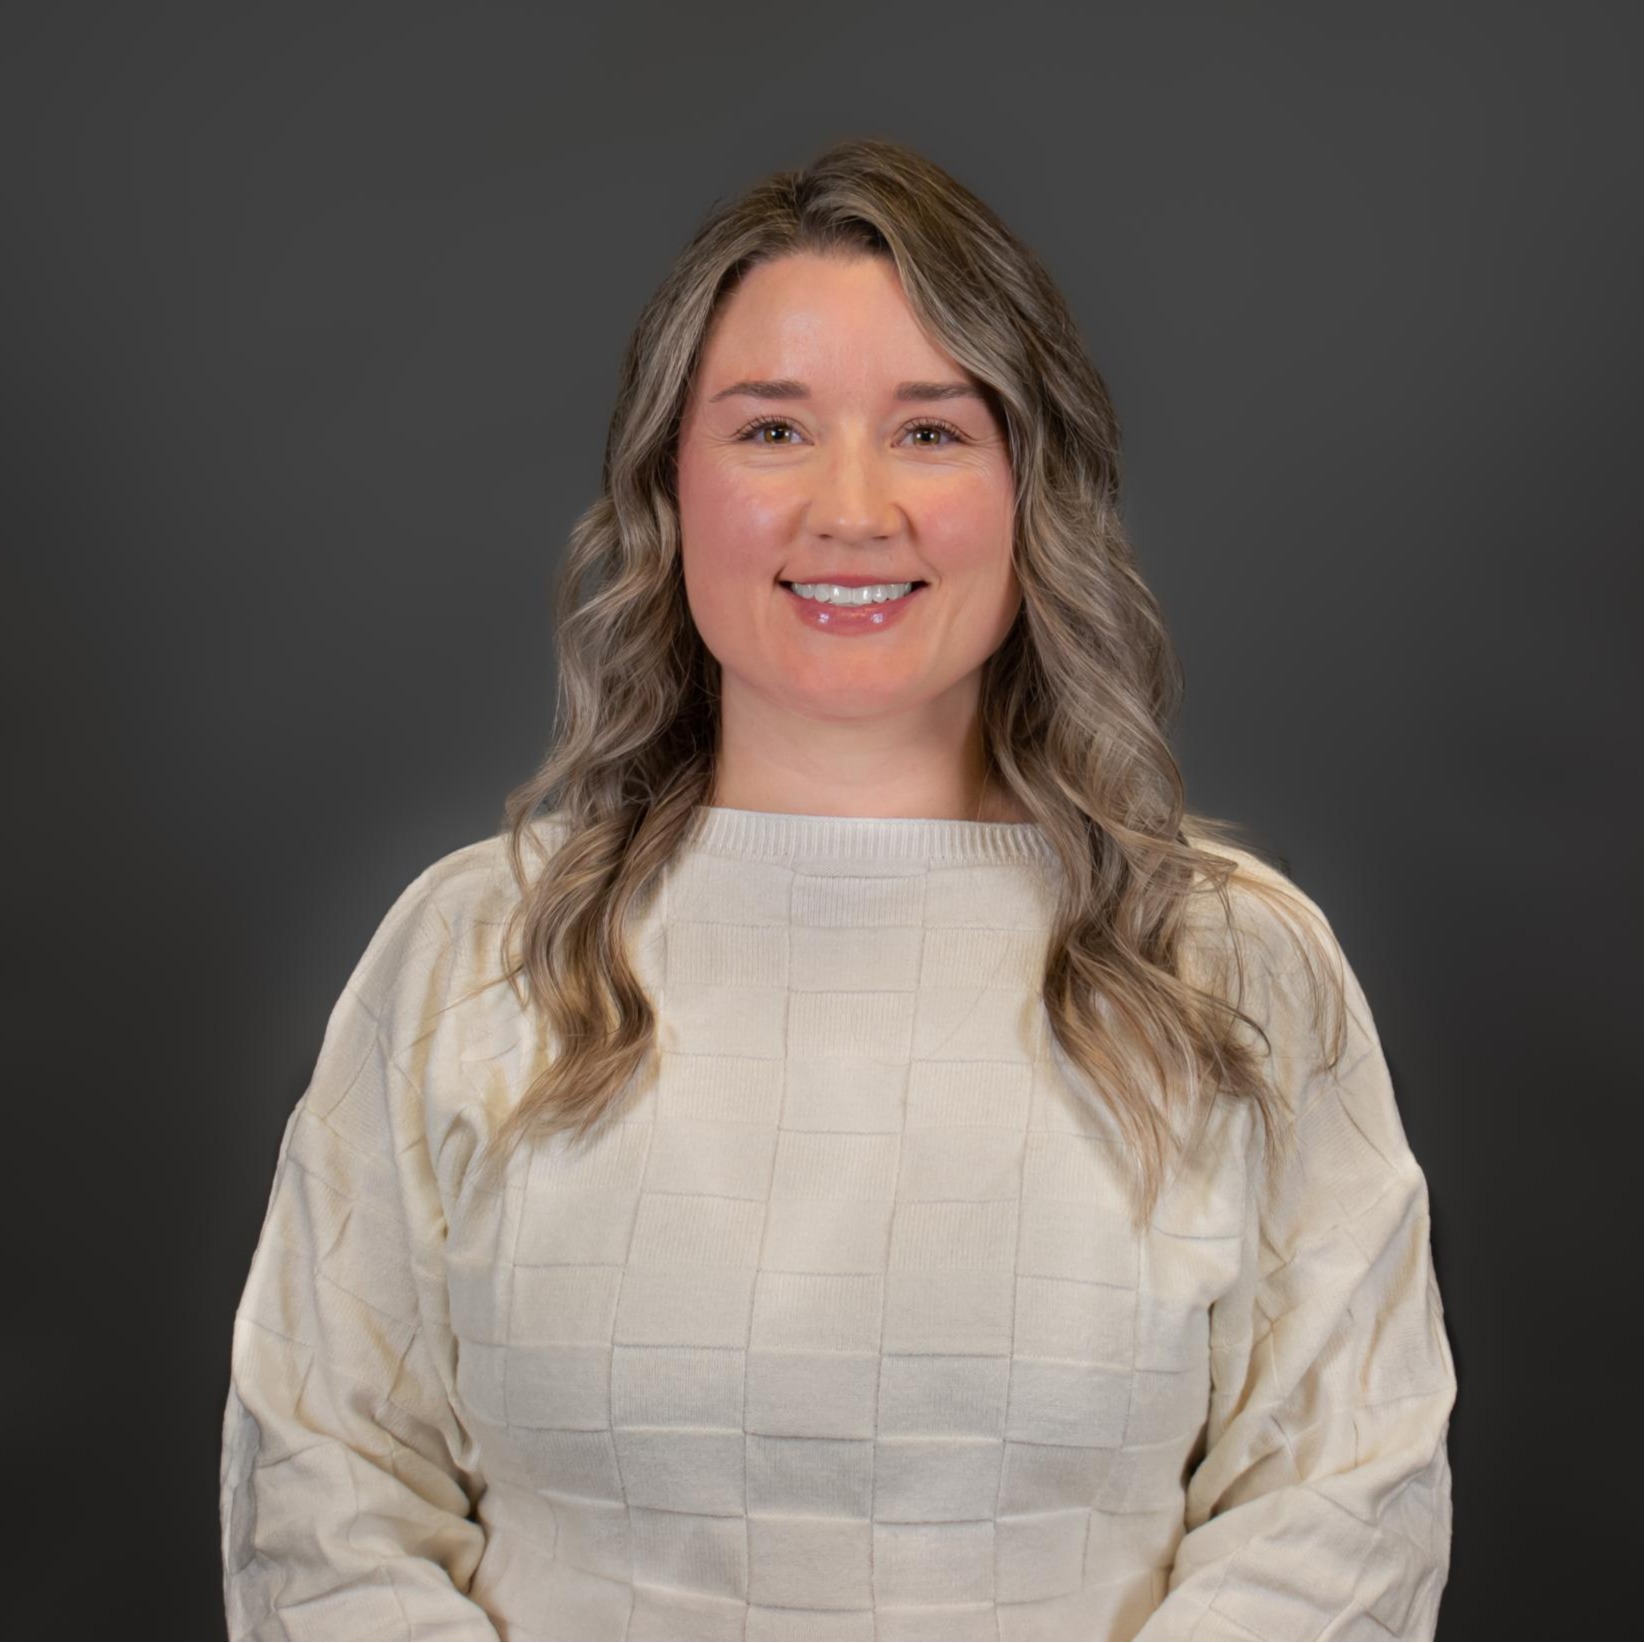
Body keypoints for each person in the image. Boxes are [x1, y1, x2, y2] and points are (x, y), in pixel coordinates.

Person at [220, 138, 1456, 1641]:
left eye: (930, 431)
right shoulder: (476, 950)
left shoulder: (1227, 963)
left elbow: (1341, 1501)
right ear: (668, 485)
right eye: (772, 429)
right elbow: (326, 1494)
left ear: (1032, 488)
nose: (851, 509)